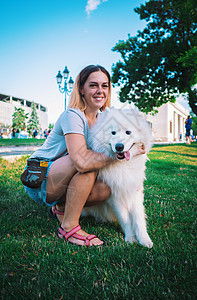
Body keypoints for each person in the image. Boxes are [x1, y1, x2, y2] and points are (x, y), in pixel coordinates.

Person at [22, 65, 145, 246]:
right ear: (81, 89)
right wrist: (122, 154)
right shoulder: (73, 115)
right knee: (88, 163)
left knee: (106, 188)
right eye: (93, 85)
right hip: (40, 178)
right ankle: (68, 228)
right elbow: (81, 162)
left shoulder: (104, 119)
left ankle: (61, 207)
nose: (100, 91)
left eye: (105, 86)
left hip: (62, 179)